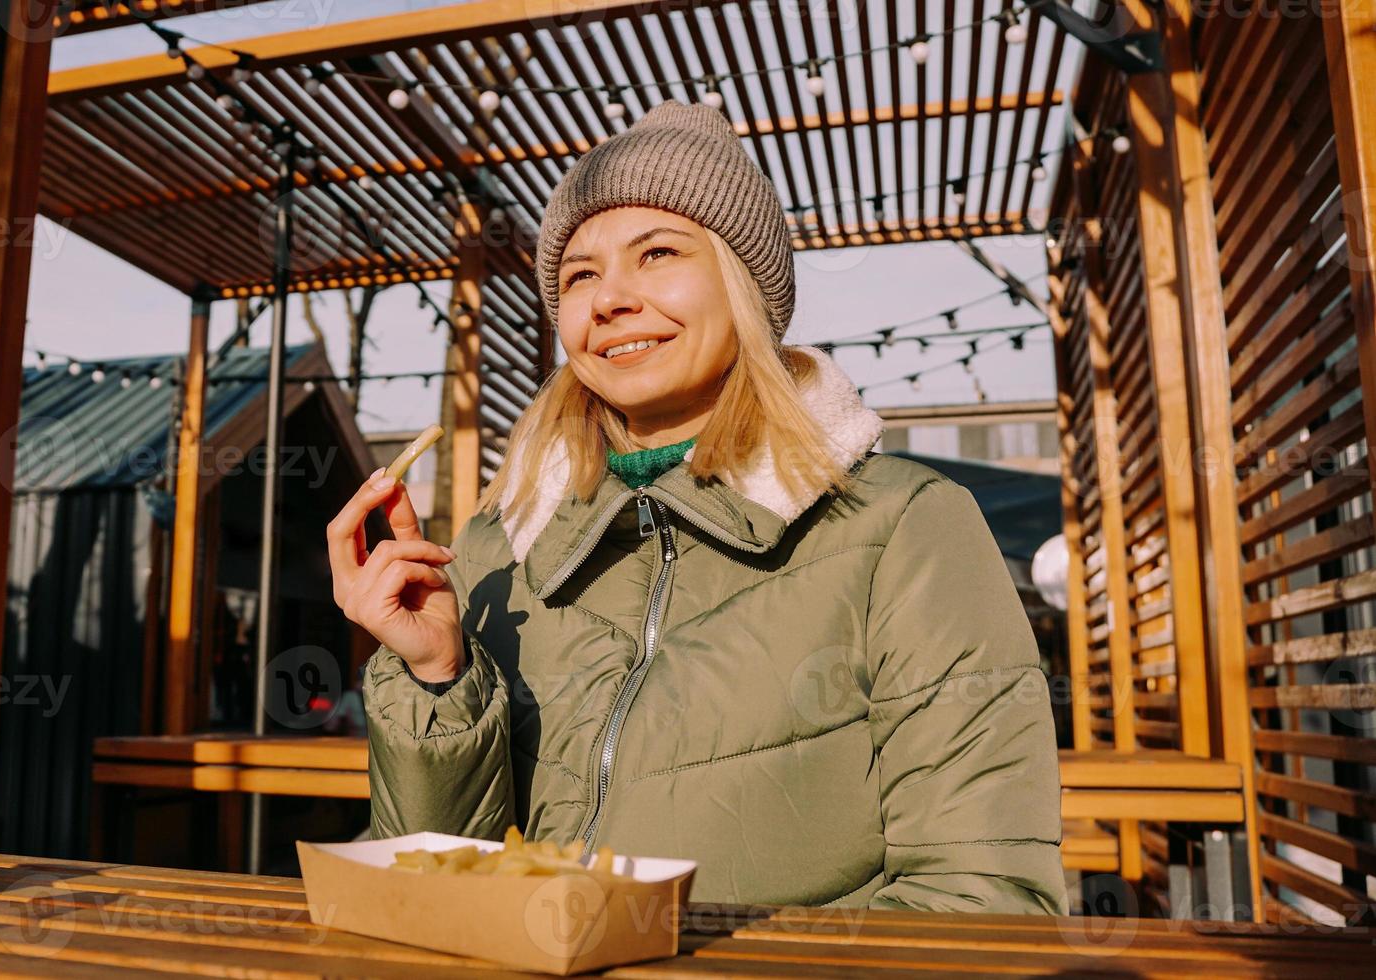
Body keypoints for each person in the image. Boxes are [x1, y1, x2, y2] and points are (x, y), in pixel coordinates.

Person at [327, 101, 1065, 913]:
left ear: (743, 285)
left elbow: (985, 899)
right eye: (580, 275)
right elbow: (442, 880)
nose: (610, 299)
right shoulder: (494, 552)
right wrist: (438, 677)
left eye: (659, 253)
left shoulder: (904, 526)